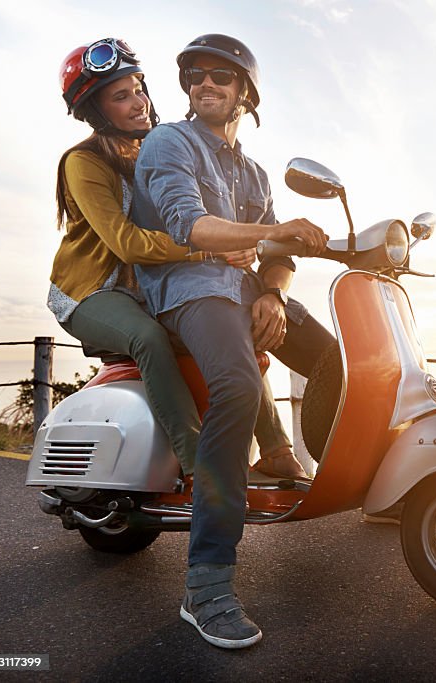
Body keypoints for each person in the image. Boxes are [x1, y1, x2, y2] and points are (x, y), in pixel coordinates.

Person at [131, 34, 336, 649]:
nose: (205, 84)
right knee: (239, 386)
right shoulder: (171, 142)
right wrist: (273, 232)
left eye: (221, 76)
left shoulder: (253, 171)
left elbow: (276, 258)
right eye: (196, 76)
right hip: (187, 290)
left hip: (244, 289)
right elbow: (191, 225)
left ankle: (353, 477)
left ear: (246, 91)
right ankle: (207, 581)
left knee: (338, 362)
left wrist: (273, 292)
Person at [51, 38, 308, 480]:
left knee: (235, 320)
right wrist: (210, 247)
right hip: (94, 291)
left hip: (148, 284)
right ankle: (196, 466)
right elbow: (126, 243)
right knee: (148, 339)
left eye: (138, 88)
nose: (139, 103)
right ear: (96, 111)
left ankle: (278, 451)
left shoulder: (162, 144)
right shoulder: (83, 162)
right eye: (121, 97)